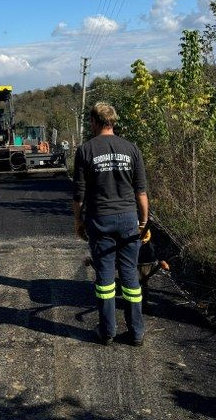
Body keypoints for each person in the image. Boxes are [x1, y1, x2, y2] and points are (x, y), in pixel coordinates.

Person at [73, 102, 149, 347]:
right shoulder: (131, 149)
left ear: (95, 122)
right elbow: (141, 192)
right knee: (130, 275)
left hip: (100, 219)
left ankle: (107, 332)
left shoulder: (86, 150)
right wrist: (143, 222)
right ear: (113, 122)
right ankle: (136, 332)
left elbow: (79, 195)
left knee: (104, 275)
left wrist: (78, 221)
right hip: (129, 218)